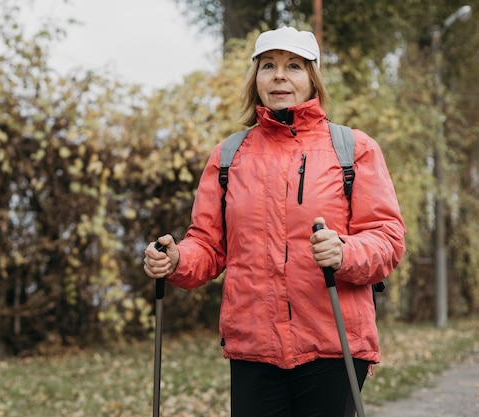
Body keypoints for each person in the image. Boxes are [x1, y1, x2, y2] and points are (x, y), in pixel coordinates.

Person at [143, 26, 405, 417]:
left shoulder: (353, 149)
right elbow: (209, 245)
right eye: (269, 65)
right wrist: (177, 259)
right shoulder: (229, 155)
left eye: (293, 66)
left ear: (312, 78)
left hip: (333, 343)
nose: (280, 75)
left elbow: (387, 238)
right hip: (254, 347)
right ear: (256, 79)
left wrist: (344, 251)